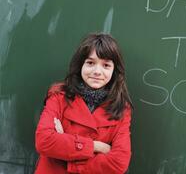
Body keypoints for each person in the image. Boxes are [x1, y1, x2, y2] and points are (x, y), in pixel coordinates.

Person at [35, 33, 133, 174]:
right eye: (90, 63)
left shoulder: (121, 108)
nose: (97, 72)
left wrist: (67, 153)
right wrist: (95, 146)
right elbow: (44, 141)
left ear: (114, 71)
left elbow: (119, 162)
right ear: (81, 65)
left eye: (106, 65)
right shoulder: (59, 96)